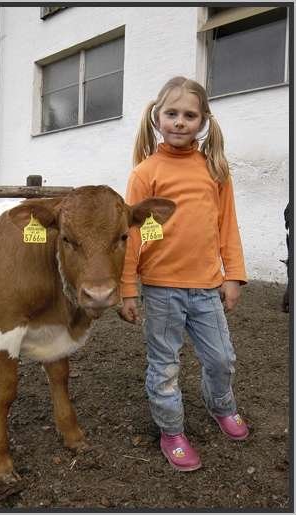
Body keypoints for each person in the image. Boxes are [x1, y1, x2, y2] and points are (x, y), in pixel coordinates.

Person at [119, 76, 249, 472]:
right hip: (161, 291)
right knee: (165, 366)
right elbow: (133, 232)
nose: (180, 122)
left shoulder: (215, 169)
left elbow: (227, 225)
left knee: (222, 359)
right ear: (157, 118)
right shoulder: (146, 173)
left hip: (208, 288)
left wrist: (234, 275)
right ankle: (171, 431)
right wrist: (128, 287)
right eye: (171, 114)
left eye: (189, 115)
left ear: (203, 121)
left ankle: (221, 405)